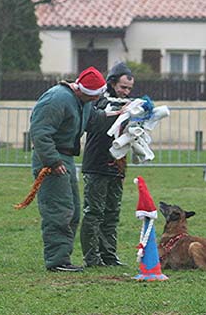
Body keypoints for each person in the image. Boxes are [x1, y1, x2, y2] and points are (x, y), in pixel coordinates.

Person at [30, 66, 107, 272]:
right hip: (52, 159)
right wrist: (53, 162)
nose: (96, 99)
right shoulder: (56, 99)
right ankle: (57, 261)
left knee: (71, 210)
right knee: (58, 210)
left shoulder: (82, 101)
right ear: (82, 91)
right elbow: (39, 133)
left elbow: (93, 121)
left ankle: (62, 257)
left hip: (65, 158)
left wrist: (121, 116)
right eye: (94, 96)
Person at [80, 62, 134, 267]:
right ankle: (91, 257)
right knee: (94, 212)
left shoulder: (129, 104)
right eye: (123, 87)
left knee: (112, 212)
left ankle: (109, 256)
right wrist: (122, 110)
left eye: (129, 89)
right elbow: (98, 118)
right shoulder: (99, 101)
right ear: (112, 83)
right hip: (97, 163)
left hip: (117, 165)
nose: (125, 92)